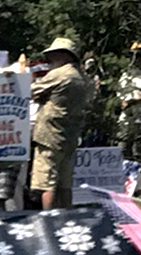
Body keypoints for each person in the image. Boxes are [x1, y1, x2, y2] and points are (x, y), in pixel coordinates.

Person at [29, 38, 95, 209]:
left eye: (52, 57)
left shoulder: (60, 74)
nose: (50, 61)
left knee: (46, 182)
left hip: (49, 135)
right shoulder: (83, 78)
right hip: (70, 135)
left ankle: (48, 220)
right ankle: (67, 218)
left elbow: (32, 91)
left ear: (62, 56)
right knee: (65, 184)